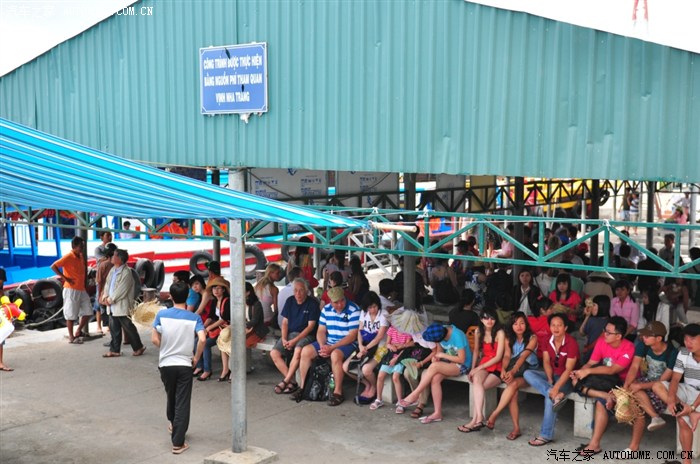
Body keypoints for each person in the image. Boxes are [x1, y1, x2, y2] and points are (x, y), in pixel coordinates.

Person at [151, 281, 206, 455]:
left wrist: (166, 348)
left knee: (171, 394)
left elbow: (154, 339)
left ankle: (172, 423)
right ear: (187, 296)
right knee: (182, 401)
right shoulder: (194, 318)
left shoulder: (162, 314)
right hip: (184, 364)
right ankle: (178, 443)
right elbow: (202, 339)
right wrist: (196, 357)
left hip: (166, 363)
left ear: (171, 296)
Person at [570, 316, 635, 456]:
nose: (604, 334)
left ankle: (594, 445)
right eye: (605, 330)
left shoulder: (629, 347)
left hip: (623, 384)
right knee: (575, 382)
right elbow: (591, 363)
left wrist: (588, 372)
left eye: (608, 332)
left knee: (601, 403)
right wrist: (580, 372)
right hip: (605, 380)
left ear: (618, 336)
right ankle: (605, 395)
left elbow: (613, 370)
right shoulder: (601, 342)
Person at [291, 286, 360, 406]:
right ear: (330, 302)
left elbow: (352, 336)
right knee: (306, 351)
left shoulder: (354, 310)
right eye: (336, 302)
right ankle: (303, 388)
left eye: (342, 300)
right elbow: (321, 331)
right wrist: (323, 346)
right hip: (329, 342)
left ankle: (338, 392)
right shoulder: (326, 310)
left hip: (348, 343)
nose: (340, 304)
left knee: (335, 355)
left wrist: (331, 348)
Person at [398, 322, 472, 424]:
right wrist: (436, 358)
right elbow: (439, 351)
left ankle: (415, 395)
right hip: (448, 363)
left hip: (462, 365)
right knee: (435, 378)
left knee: (434, 367)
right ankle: (437, 413)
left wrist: (442, 356)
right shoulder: (440, 331)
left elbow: (462, 359)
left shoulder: (457, 335)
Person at [524, 313, 579, 447]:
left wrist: (556, 387)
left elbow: (568, 369)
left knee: (549, 398)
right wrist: (549, 380)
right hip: (552, 375)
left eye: (559, 325)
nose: (556, 328)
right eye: (553, 325)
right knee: (528, 373)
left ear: (565, 327)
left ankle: (545, 435)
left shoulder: (571, 343)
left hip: (567, 377)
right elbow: (546, 362)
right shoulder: (546, 339)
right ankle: (553, 395)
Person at [622, 321, 677, 451]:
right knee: (633, 390)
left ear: (659, 338)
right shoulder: (643, 345)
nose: (643, 338)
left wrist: (640, 386)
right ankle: (655, 417)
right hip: (646, 381)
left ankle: (633, 448)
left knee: (637, 403)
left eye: (647, 336)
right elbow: (634, 367)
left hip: (663, 388)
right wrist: (625, 387)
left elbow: (662, 381)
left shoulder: (672, 353)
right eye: (644, 335)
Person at [485, 312, 539, 440]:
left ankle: (495, 414)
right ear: (511, 325)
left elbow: (523, 357)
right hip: (514, 370)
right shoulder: (509, 338)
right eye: (515, 324)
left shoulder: (533, 338)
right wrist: (503, 369)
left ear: (526, 324)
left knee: (513, 384)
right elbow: (507, 356)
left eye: (522, 323)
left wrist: (512, 371)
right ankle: (516, 428)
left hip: (529, 372)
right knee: (513, 391)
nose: (519, 326)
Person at [652, 324, 700, 464]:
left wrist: (692, 407)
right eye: (685, 339)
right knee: (657, 385)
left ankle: (687, 462)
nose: (688, 343)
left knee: (682, 419)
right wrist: (672, 399)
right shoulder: (683, 353)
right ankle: (687, 461)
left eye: (692, 339)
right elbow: (675, 379)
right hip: (687, 389)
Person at [458, 310, 505, 432]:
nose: (489, 321)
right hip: (484, 364)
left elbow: (498, 357)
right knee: (476, 381)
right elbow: (476, 351)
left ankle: (474, 421)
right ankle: (479, 418)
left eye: (492, 318)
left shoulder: (500, 332)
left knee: (478, 387)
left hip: (498, 367)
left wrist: (478, 368)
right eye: (486, 318)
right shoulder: (478, 331)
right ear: (481, 319)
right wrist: (473, 368)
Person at [271, 278, 320, 395]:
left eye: (301, 290)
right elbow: (285, 322)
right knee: (274, 353)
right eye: (295, 290)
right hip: (290, 334)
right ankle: (292, 381)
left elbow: (310, 327)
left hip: (307, 335)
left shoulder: (312, 304)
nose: (298, 293)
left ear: (306, 291)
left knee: (298, 350)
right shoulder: (290, 301)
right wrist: (284, 338)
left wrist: (294, 341)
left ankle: (286, 381)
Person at [344, 291, 388, 403]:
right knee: (345, 367)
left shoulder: (383, 315)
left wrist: (365, 348)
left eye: (374, 307)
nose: (372, 310)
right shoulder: (364, 313)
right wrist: (360, 345)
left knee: (366, 369)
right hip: (364, 344)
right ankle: (367, 384)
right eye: (370, 307)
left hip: (380, 346)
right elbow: (360, 331)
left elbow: (379, 337)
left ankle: (373, 386)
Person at [103, 249, 145, 358]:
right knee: (114, 329)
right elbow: (107, 284)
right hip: (112, 305)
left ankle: (138, 347)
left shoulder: (127, 272)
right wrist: (105, 296)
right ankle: (115, 350)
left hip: (121, 305)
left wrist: (110, 300)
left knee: (128, 327)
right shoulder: (113, 269)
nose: (112, 257)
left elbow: (122, 290)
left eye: (114, 255)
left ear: (120, 259)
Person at [51, 236, 92, 344]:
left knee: (88, 311)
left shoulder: (80, 256)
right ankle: (71, 336)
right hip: (71, 289)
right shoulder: (68, 256)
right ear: (75, 246)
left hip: (81, 288)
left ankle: (78, 330)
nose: (82, 248)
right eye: (80, 246)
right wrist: (65, 278)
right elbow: (53, 266)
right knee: (71, 314)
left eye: (82, 246)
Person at [370, 318, 414, 411]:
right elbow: (387, 343)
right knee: (380, 376)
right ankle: (379, 399)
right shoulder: (392, 329)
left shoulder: (407, 332)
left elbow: (405, 348)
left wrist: (396, 358)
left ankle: (400, 402)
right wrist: (391, 345)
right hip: (390, 355)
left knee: (395, 377)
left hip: (401, 356)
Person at [193, 276, 230, 381]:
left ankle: (207, 370)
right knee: (197, 340)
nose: (216, 291)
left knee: (206, 343)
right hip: (217, 328)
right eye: (214, 288)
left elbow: (224, 319)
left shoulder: (227, 301)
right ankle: (199, 366)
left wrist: (208, 328)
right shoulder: (214, 301)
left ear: (223, 290)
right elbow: (211, 317)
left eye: (218, 288)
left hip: (226, 329)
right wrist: (203, 328)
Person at [579, 295, 611, 363]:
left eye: (594, 305)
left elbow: (581, 332)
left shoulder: (592, 321)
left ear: (601, 307)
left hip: (591, 354)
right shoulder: (610, 321)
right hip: (605, 356)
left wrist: (587, 316)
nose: (591, 308)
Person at [94, 242, 118, 336]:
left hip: (104, 291)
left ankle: (101, 327)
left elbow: (99, 281)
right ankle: (108, 327)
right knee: (111, 312)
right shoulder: (117, 264)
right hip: (113, 292)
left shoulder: (103, 265)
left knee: (100, 308)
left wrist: (100, 293)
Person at [244, 281, 269, 350]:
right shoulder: (241, 303)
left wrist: (243, 326)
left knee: (244, 343)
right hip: (247, 329)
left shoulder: (257, 304)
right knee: (232, 340)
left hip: (257, 330)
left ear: (248, 292)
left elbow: (255, 320)